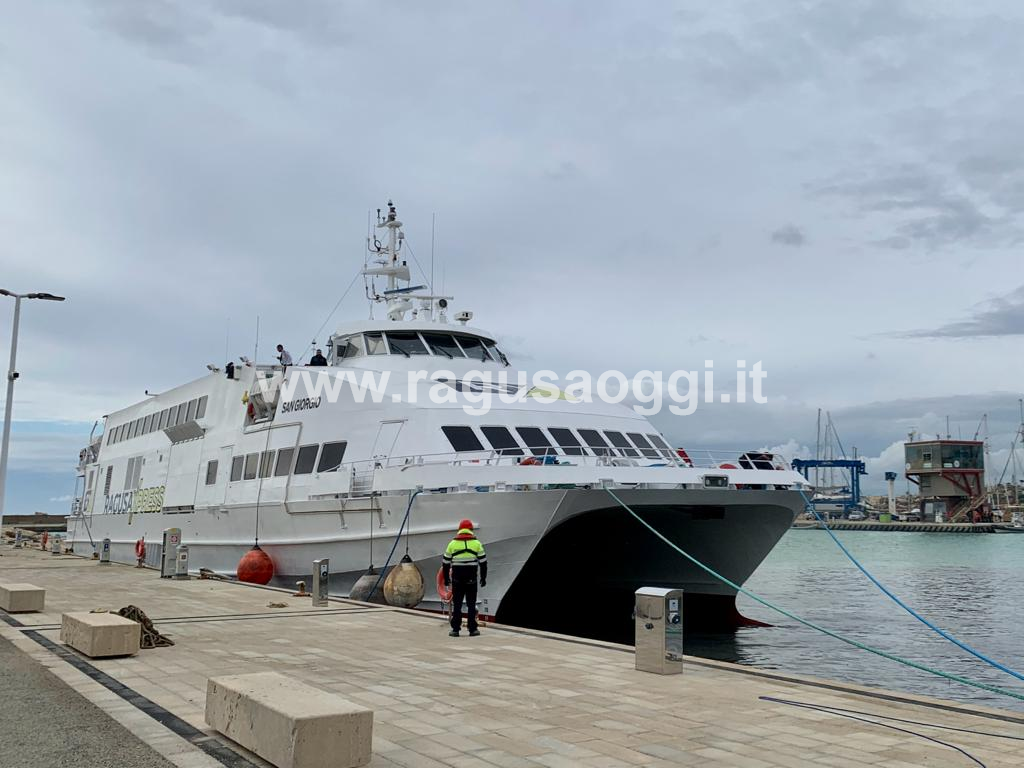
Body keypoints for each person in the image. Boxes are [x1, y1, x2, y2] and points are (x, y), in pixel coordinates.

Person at [441, 519, 487, 637]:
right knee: (471, 604)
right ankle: (473, 629)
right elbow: (483, 562)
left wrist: (446, 579)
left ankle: (455, 629)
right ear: (471, 530)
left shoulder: (452, 544)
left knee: (457, 604)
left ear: (460, 530)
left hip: (457, 580)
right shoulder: (477, 544)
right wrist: (483, 577)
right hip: (471, 580)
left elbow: (445, 563)